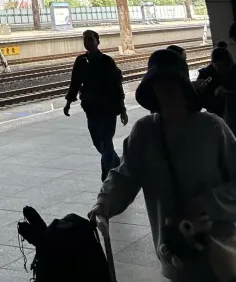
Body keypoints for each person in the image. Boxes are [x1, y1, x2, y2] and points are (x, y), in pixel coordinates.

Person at [92, 48, 236, 282]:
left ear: (184, 87)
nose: (165, 89)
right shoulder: (144, 132)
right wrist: (104, 203)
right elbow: (125, 176)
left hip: (220, 253)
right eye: (158, 83)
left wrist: (205, 203)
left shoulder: (212, 128)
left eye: (172, 82)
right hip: (175, 252)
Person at [64, 29, 128, 179]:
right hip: (91, 108)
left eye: (90, 39)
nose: (87, 43)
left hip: (108, 108)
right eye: (85, 40)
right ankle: (117, 165)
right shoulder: (80, 61)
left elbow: (117, 86)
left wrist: (122, 109)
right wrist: (68, 103)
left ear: (98, 42)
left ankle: (108, 175)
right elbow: (75, 83)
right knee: (98, 142)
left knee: (106, 141)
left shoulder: (107, 61)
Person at [196, 43, 236, 131]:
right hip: (216, 115)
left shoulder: (233, 72)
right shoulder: (206, 74)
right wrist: (201, 91)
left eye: (221, 67)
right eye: (217, 66)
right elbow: (198, 100)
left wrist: (225, 93)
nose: (219, 70)